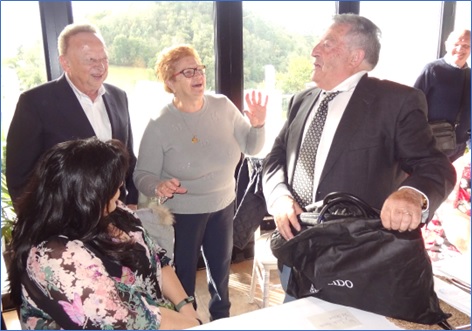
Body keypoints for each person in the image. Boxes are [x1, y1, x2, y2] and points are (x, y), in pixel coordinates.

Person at [261, 14, 456, 301]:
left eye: (327, 44)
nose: (314, 50)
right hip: (295, 250)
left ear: (356, 56)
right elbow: (275, 157)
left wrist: (412, 194)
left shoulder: (395, 101)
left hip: (355, 260)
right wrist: (278, 196)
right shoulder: (301, 100)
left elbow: (434, 165)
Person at [8, 138, 203, 329]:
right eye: (115, 186)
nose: (119, 192)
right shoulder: (56, 258)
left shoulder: (115, 212)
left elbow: (156, 258)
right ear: (88, 195)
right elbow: (134, 322)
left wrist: (186, 308)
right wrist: (193, 325)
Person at [133, 44, 267, 320]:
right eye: (188, 71)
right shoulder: (160, 124)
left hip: (223, 205)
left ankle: (221, 320)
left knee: (220, 270)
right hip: (183, 213)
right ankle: (188, 322)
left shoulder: (223, 106)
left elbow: (252, 147)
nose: (198, 75)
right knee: (182, 276)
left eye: (200, 68)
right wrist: (158, 186)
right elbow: (141, 175)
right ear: (171, 81)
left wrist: (258, 125)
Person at [5, 23, 138, 208]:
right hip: (64, 221)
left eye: (104, 58)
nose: (100, 66)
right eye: (91, 59)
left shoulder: (119, 96)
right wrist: (36, 225)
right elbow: (19, 175)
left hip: (115, 214)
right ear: (65, 63)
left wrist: (132, 202)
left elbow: (128, 157)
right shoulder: (34, 102)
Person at [414, 29, 471, 163]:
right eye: (456, 44)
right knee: (428, 183)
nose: (460, 49)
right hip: (432, 145)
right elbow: (413, 104)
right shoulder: (432, 69)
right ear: (446, 45)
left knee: (451, 183)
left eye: (466, 46)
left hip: (459, 147)